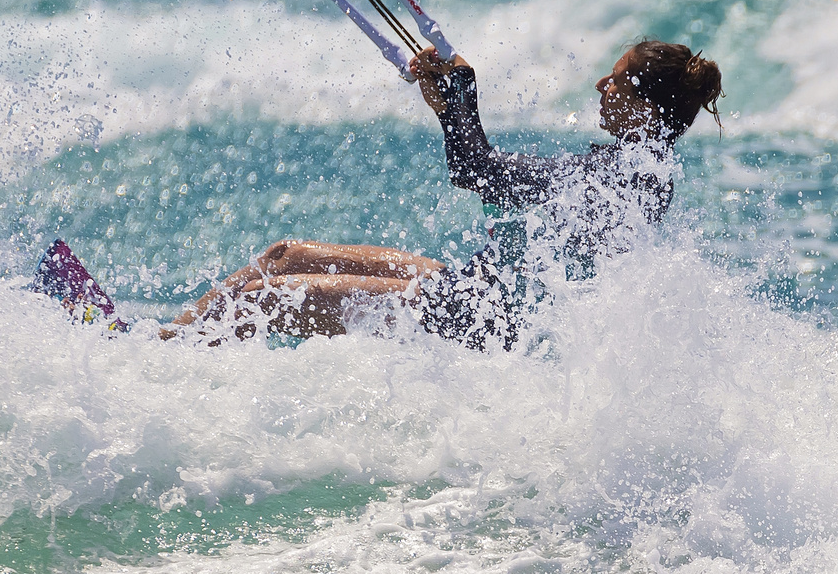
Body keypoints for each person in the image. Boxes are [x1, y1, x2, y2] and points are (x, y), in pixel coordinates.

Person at [152, 38, 723, 346]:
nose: (602, 83)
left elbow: (481, 172)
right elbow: (483, 171)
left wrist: (463, 99)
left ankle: (155, 363)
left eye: (617, 79)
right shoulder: (633, 164)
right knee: (285, 257)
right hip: (471, 289)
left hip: (482, 320)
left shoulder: (632, 177)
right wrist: (450, 108)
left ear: (645, 105)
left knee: (273, 298)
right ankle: (163, 337)